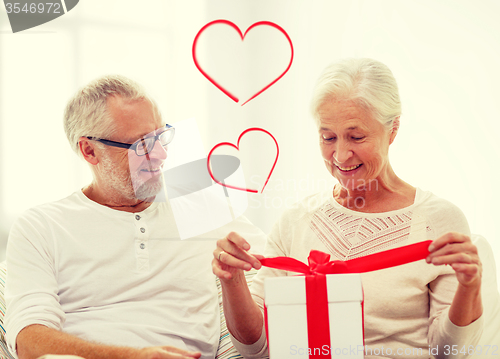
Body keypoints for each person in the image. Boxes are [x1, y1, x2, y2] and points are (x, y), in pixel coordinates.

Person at [213, 58, 484, 359]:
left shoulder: (439, 220)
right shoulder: (295, 222)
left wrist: (469, 287)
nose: (340, 156)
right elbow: (257, 350)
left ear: (392, 129)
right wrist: (232, 280)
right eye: (328, 137)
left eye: (356, 137)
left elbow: (450, 352)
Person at [5, 75, 264, 359]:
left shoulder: (200, 205)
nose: (161, 154)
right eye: (141, 144)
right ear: (89, 150)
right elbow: (28, 341)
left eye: (160, 136)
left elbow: (284, 267)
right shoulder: (42, 226)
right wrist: (132, 356)